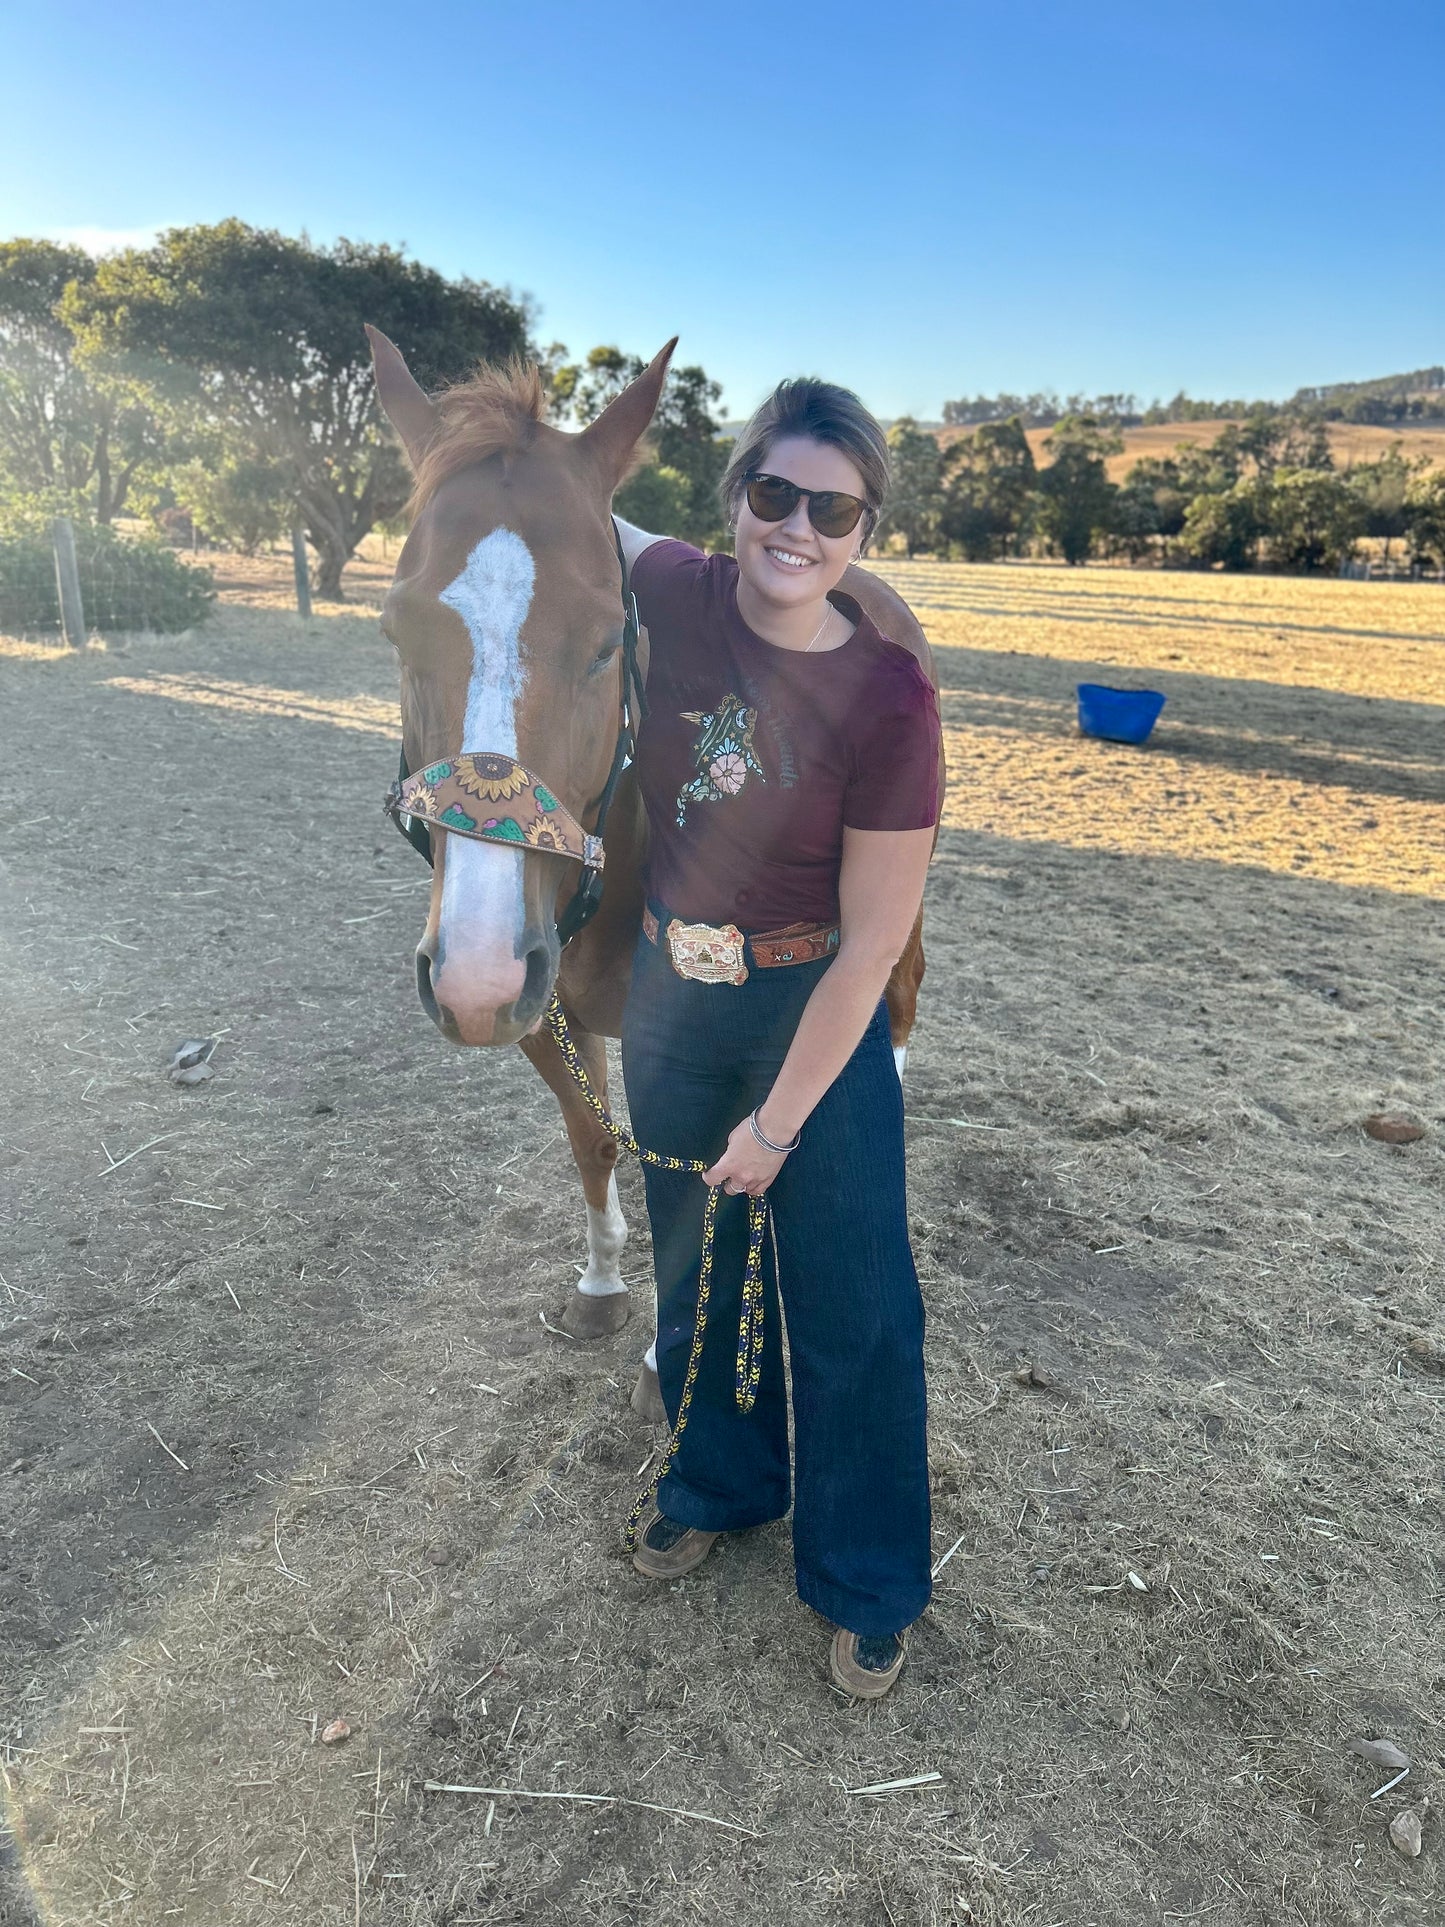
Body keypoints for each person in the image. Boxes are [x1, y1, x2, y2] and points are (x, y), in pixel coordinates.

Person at [615, 376, 942, 1699]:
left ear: (862, 532)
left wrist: (776, 1124)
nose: (795, 529)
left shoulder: (888, 703)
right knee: (694, 1268)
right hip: (669, 1004)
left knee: (853, 1302)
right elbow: (564, 507)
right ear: (735, 495)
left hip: (814, 1013)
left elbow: (871, 944)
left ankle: (866, 1575)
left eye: (833, 509)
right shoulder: (681, 594)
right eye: (773, 495)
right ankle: (713, 1482)